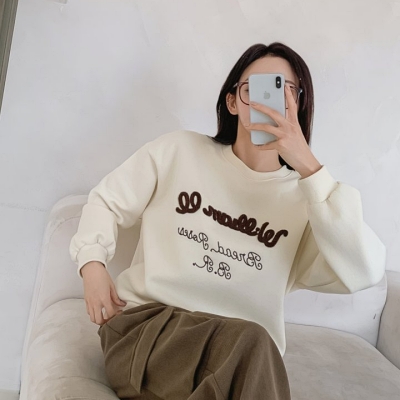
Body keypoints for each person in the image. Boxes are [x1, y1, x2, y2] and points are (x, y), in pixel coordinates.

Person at [69, 42, 386, 400]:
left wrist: (309, 167)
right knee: (253, 343)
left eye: (283, 91)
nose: (267, 103)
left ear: (299, 106)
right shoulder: (179, 151)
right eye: (256, 89)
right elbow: (106, 200)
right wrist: (92, 264)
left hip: (236, 360)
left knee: (249, 351)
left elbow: (364, 270)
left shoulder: (307, 201)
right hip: (148, 331)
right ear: (233, 101)